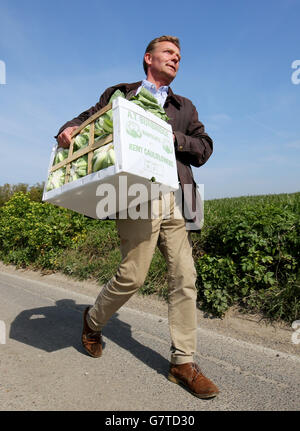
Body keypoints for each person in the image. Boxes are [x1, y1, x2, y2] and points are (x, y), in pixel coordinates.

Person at [56, 35, 219, 399]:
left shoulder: (185, 107)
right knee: (133, 275)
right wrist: (68, 130)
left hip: (179, 196)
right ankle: (93, 320)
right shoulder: (121, 94)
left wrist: (171, 137)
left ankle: (182, 362)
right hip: (133, 195)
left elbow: (204, 148)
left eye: (179, 56)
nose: (175, 59)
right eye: (168, 53)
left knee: (185, 276)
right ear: (148, 58)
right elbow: (87, 121)